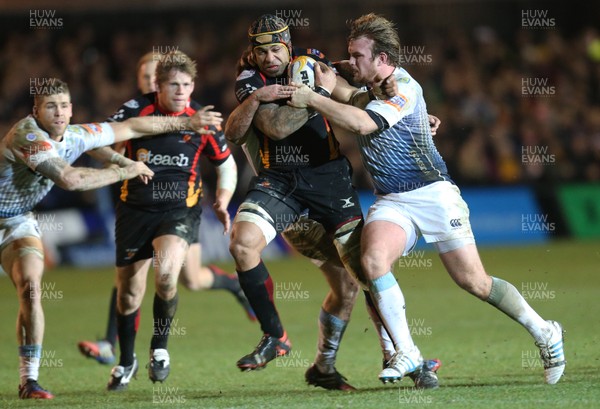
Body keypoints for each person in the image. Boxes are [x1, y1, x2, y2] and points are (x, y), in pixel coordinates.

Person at [288, 13, 566, 385]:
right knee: (372, 261)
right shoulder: (372, 86)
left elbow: (361, 123)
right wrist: (322, 70)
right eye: (350, 55)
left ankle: (546, 332)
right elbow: (345, 91)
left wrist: (310, 97)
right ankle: (407, 351)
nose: (351, 61)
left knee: (474, 281)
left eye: (358, 56)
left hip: (433, 195)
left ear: (384, 60)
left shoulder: (403, 86)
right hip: (393, 201)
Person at [224, 14, 441, 390]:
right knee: (243, 245)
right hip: (281, 184)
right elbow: (275, 127)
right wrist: (315, 96)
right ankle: (276, 336)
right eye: (261, 51)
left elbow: (355, 93)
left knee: (358, 278)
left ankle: (390, 356)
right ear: (253, 53)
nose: (269, 58)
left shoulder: (310, 62)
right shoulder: (250, 81)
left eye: (276, 48)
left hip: (329, 182)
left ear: (288, 46)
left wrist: (409, 113)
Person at [0, 78, 220, 400]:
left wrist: (186, 122)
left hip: (17, 222)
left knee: (31, 288)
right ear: (36, 111)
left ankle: (29, 380)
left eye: (63, 105)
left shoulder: (74, 133)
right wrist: (125, 171)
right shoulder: (27, 136)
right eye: (50, 106)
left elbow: (130, 127)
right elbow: (70, 179)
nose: (59, 112)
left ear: (71, 109)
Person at [77, 52, 254, 368]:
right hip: (137, 208)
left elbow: (226, 164)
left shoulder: (201, 118)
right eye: (150, 80)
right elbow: (104, 140)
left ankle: (152, 347)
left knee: (185, 278)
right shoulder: (136, 111)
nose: (178, 91)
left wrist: (222, 200)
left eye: (184, 84)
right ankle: (120, 353)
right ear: (152, 84)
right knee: (133, 285)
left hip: (181, 208)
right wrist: (122, 159)